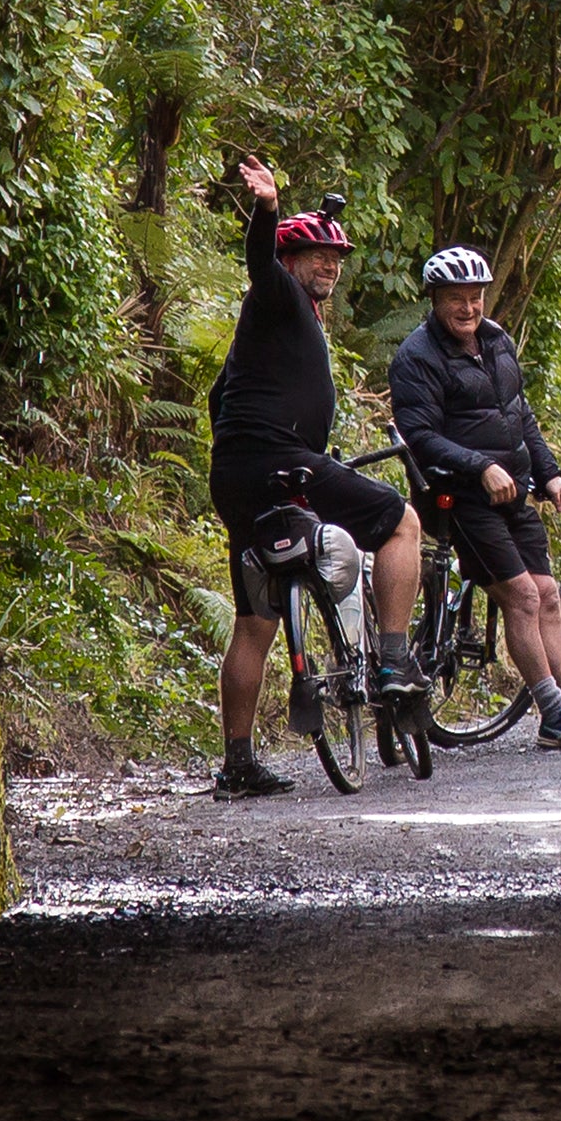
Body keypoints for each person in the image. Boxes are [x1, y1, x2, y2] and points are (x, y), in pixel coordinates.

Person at [203, 156, 426, 800]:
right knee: (400, 521)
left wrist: (243, 450)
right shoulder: (275, 294)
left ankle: (238, 763)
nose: (327, 265)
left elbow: (221, 397)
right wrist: (269, 208)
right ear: (289, 261)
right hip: (283, 462)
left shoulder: (274, 329)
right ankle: (391, 657)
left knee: (254, 623)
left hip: (239, 475)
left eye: (335, 257)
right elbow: (259, 262)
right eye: (314, 255)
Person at [389, 245, 561, 750]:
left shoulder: (496, 340)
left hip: (514, 491)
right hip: (458, 498)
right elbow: (419, 435)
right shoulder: (417, 357)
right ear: (434, 300)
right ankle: (553, 713)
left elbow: (522, 417)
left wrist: (550, 475)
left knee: (548, 595)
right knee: (521, 596)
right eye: (456, 299)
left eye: (475, 298)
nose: (468, 309)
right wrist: (481, 466)